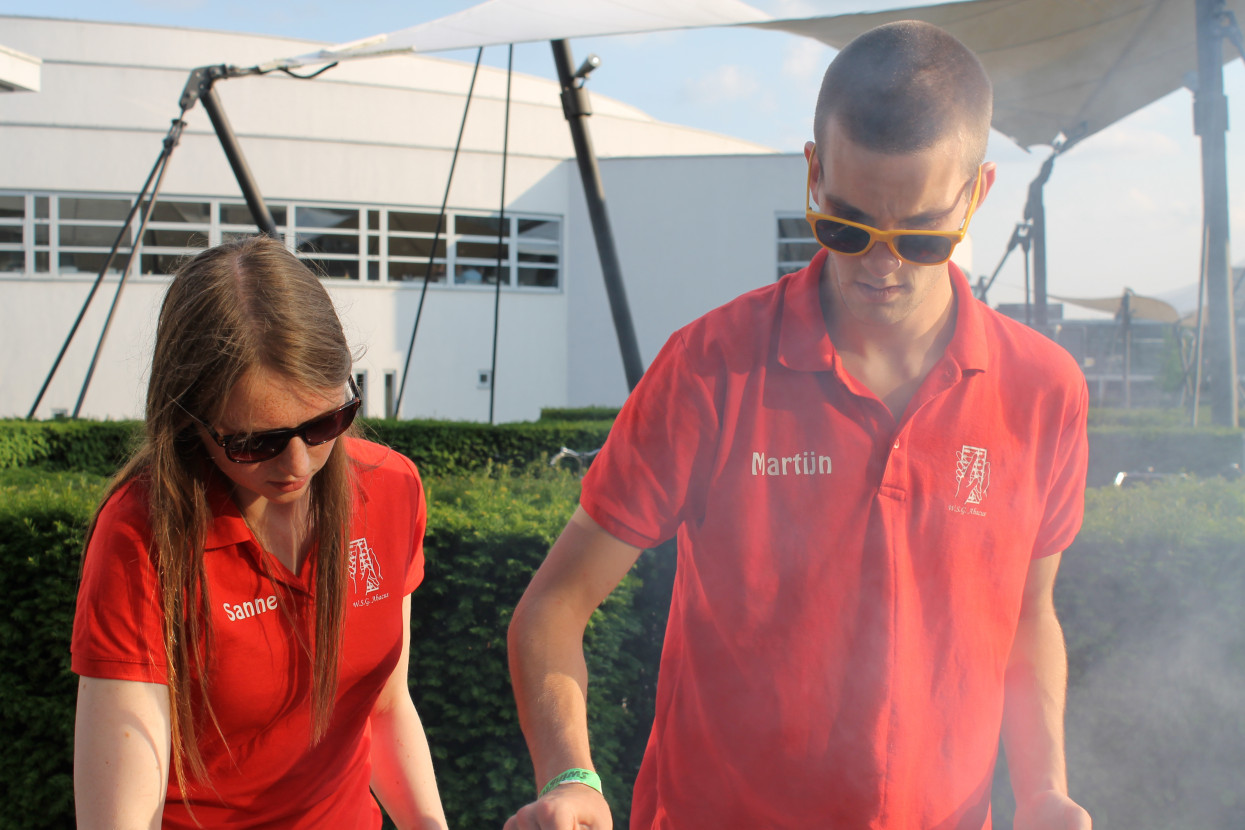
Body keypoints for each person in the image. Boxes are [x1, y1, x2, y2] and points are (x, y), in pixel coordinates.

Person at [505, 20, 1091, 830]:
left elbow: (1026, 617)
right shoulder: (711, 368)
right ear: (813, 172)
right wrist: (572, 776)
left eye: (920, 236)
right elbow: (553, 607)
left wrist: (1042, 791)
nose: (880, 266)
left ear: (978, 193)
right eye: (846, 227)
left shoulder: (1042, 389)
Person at [72, 236, 448, 829]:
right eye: (255, 441)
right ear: (188, 419)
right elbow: (120, 817)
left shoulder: (392, 489)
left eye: (327, 422)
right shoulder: (141, 536)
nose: (297, 464)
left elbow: (383, 707)